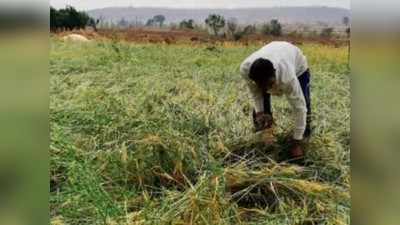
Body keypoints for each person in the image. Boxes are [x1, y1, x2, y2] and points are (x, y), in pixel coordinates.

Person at [240, 41, 312, 161]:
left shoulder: (287, 78)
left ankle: (303, 138)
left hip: (298, 65)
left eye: (269, 84)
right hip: (273, 54)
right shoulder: (245, 70)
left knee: (304, 103)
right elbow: (256, 94)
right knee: (262, 111)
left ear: (274, 73)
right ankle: (266, 139)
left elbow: (299, 108)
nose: (267, 89)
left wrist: (296, 142)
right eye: (261, 85)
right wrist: (260, 112)